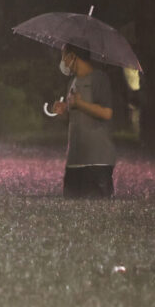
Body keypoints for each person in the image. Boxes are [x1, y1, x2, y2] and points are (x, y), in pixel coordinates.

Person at [51, 43, 116, 198]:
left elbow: (107, 113)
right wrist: (63, 111)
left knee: (97, 206)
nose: (63, 62)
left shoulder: (99, 79)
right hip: (75, 159)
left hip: (97, 160)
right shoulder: (72, 82)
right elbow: (74, 116)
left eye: (64, 56)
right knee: (71, 204)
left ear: (73, 56)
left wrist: (80, 104)